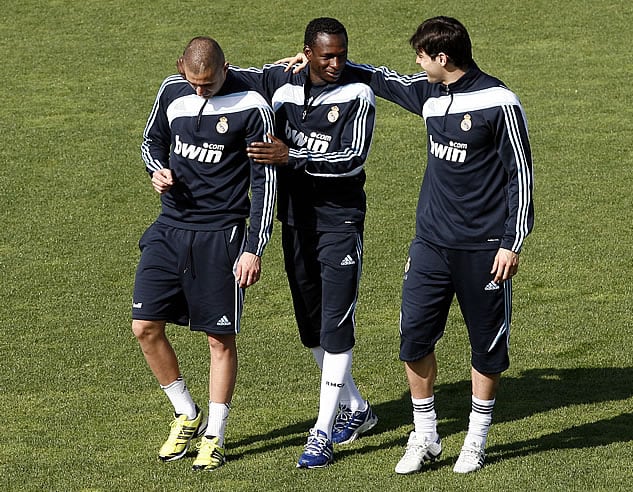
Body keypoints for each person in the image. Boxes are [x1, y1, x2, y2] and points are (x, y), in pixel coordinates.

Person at [283, 14, 534, 474]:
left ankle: (475, 441)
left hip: (485, 248)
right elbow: (379, 79)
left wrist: (511, 242)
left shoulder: (499, 102)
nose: (416, 65)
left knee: (486, 347)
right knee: (414, 340)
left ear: (442, 58)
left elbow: (521, 174)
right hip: (430, 246)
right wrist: (316, 64)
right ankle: (426, 435)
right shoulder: (430, 94)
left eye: (421, 57)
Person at [232, 17, 378, 468]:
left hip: (339, 221)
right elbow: (228, 74)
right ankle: (357, 409)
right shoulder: (282, 81)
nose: (337, 63)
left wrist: (292, 156)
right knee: (311, 325)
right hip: (294, 219)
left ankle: (321, 431)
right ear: (307, 52)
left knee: (336, 323)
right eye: (327, 55)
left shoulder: (358, 94)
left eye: (342, 54)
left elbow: (351, 158)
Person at [132, 36, 276, 471]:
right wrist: (156, 169)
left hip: (221, 235)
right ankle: (185, 414)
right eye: (193, 83)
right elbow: (150, 140)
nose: (200, 91)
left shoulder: (252, 106)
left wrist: (253, 249)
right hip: (170, 228)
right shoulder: (171, 90)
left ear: (225, 68)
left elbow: (265, 183)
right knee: (144, 326)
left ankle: (215, 433)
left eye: (209, 84)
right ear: (182, 68)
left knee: (219, 338)